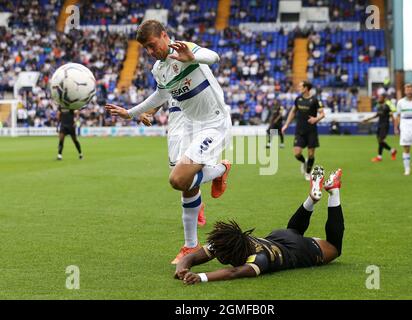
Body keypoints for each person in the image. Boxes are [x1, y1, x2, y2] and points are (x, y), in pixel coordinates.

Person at [105, 20, 232, 264]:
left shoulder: (186, 50)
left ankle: (220, 169)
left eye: (153, 45)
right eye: (147, 49)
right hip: (192, 127)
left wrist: (192, 58)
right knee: (187, 186)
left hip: (214, 124)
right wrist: (130, 113)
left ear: (164, 35)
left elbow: (214, 56)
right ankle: (190, 246)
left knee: (178, 179)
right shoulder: (158, 69)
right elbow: (161, 94)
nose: (152, 52)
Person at [174, 165, 345, 285]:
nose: (217, 254)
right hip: (281, 237)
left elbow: (233, 273)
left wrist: (201, 277)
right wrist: (182, 268)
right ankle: (312, 199)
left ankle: (333, 191)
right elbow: (192, 257)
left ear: (229, 255)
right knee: (293, 230)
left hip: (299, 249)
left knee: (334, 248)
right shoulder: (229, 242)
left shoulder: (259, 259)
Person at [140, 99, 206, 227]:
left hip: (193, 128)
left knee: (184, 175)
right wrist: (147, 113)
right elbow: (158, 99)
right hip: (175, 132)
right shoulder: (166, 81)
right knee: (180, 178)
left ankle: (220, 169)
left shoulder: (197, 79)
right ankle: (199, 204)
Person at [282, 81, 325, 181]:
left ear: (306, 88)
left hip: (311, 131)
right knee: (297, 153)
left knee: (311, 154)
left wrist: (316, 119)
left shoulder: (315, 100)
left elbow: (322, 114)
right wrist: (286, 125)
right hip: (300, 131)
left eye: (300, 86)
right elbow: (293, 112)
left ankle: (308, 172)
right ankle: (304, 162)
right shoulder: (298, 99)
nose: (298, 88)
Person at [362, 93, 397, 162]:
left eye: (380, 97)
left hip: (385, 125)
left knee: (381, 140)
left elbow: (392, 116)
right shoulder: (379, 106)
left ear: (384, 98)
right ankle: (390, 151)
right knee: (379, 141)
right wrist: (367, 119)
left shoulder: (387, 106)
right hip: (380, 124)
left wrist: (395, 127)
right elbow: (377, 115)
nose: (379, 98)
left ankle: (381, 156)